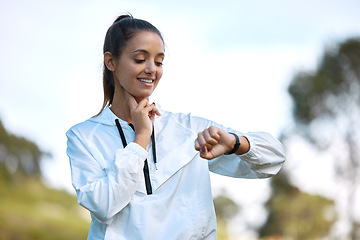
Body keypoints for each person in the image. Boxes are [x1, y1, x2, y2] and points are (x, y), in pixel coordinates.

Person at [66, 14, 286, 240]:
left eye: (159, 61)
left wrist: (234, 143)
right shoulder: (82, 137)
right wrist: (141, 138)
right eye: (140, 59)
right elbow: (103, 206)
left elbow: (274, 159)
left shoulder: (188, 128)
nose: (152, 69)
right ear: (111, 61)